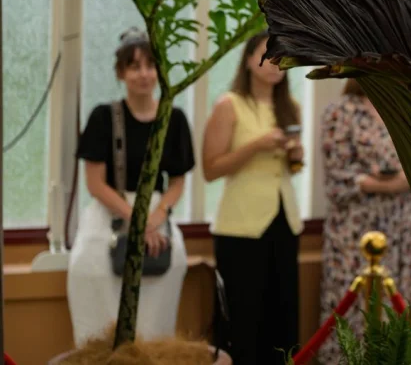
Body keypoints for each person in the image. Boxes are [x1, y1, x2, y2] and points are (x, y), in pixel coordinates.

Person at [67, 28, 194, 345]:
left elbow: (178, 183)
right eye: (134, 66)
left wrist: (155, 219)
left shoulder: (173, 118)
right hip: (109, 218)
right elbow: (94, 183)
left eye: (150, 66)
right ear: (121, 72)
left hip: (157, 218)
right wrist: (138, 222)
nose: (144, 74)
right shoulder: (103, 117)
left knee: (154, 324)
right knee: (99, 311)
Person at [204, 31, 304, 364]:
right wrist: (256, 146)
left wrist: (295, 155)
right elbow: (211, 169)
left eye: (281, 56)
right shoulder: (229, 104)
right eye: (267, 54)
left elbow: (291, 169)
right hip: (241, 226)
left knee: (283, 312)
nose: (275, 63)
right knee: (244, 315)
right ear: (249, 60)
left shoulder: (291, 108)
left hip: (284, 220)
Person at [317, 78, 411, 363]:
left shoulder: (409, 109)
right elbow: (336, 179)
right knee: (355, 307)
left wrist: (409, 178)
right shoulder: (342, 112)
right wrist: (383, 184)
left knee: (401, 303)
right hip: (356, 229)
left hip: (404, 225)